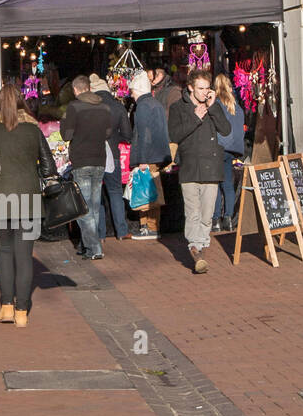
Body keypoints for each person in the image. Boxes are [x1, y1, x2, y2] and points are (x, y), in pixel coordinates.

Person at [0, 84, 56, 327]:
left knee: (4, 253)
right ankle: (22, 311)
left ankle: (6, 306)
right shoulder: (32, 129)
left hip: (0, 196)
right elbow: (49, 167)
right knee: (25, 255)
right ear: (20, 101)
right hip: (28, 196)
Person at [168, 68, 231, 274]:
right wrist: (195, 117)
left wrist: (213, 108)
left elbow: (226, 130)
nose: (204, 92)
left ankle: (201, 245)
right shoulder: (179, 108)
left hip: (211, 167)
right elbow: (174, 134)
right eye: (200, 88)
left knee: (207, 214)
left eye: (207, 88)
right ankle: (195, 248)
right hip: (190, 167)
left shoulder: (213, 106)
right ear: (190, 88)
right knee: (192, 212)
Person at [60, 75, 114, 260]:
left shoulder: (74, 107)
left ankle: (94, 247)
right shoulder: (104, 107)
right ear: (89, 88)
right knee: (94, 206)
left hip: (81, 160)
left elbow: (67, 135)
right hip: (99, 159)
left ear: (76, 90)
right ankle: (88, 245)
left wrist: (65, 123)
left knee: (84, 207)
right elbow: (108, 132)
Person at [89, 73, 133, 242]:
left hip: (93, 154)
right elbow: (127, 134)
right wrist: (116, 139)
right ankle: (121, 231)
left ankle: (100, 235)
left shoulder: (89, 107)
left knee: (97, 195)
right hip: (113, 153)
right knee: (115, 192)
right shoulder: (117, 106)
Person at [127, 70, 170, 239]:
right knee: (150, 190)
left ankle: (149, 227)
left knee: (147, 192)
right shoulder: (155, 104)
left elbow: (144, 134)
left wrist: (142, 159)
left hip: (148, 155)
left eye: (132, 91)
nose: (131, 95)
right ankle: (148, 226)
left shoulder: (143, 106)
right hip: (157, 153)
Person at [212, 74, 245, 233]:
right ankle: (229, 219)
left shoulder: (216, 105)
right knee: (228, 185)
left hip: (218, 147)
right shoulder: (235, 105)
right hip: (232, 149)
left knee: (216, 184)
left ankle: (216, 219)